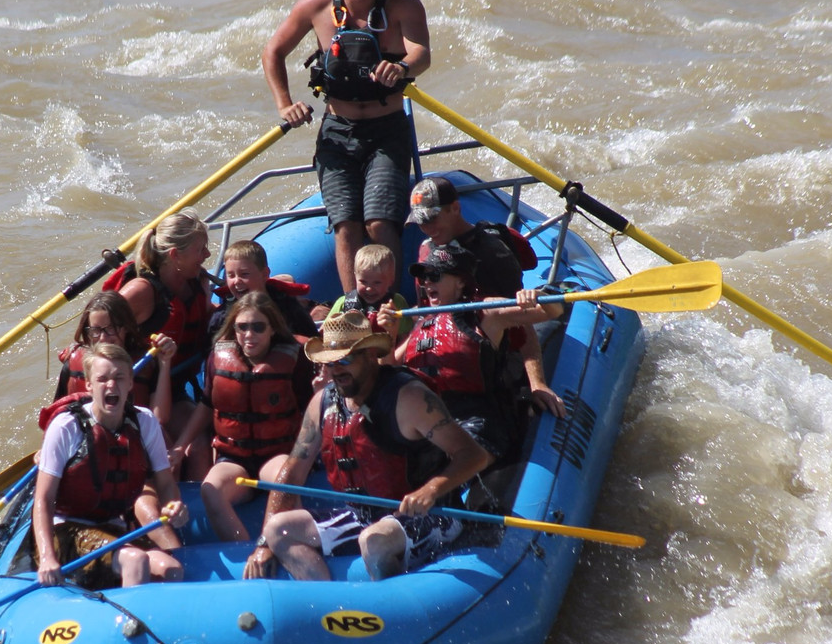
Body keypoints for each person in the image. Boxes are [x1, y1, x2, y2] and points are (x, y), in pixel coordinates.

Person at [243, 311, 488, 583]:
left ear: (371, 355)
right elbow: (293, 470)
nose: (337, 370)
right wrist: (264, 544)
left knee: (373, 540)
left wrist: (430, 491)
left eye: (346, 359)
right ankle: (331, 608)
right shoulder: (322, 403)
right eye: (331, 362)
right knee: (278, 529)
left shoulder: (410, 398)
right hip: (363, 517)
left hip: (431, 516)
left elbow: (473, 455)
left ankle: (391, 613)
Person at [262, 0, 430, 294]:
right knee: (346, 226)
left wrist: (402, 68)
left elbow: (422, 54)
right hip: (337, 132)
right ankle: (355, 309)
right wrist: (284, 105)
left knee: (380, 223)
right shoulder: (316, 7)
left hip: (387, 131)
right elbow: (272, 52)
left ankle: (390, 306)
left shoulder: (404, 5)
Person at [381, 244, 556, 511]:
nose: (427, 283)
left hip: (480, 419)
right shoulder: (422, 320)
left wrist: (538, 296)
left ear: (461, 281)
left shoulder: (485, 312)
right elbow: (388, 374)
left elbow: (551, 312)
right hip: (431, 422)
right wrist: (389, 335)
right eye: (423, 277)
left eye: (435, 276)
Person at [407, 176, 567, 418]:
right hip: (447, 353)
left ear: (456, 209)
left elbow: (519, 323)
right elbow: (426, 314)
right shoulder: (427, 250)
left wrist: (536, 382)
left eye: (432, 220)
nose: (427, 229)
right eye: (421, 223)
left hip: (492, 357)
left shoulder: (492, 252)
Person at [32, 343, 189, 589]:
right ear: (89, 385)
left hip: (114, 527)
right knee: (135, 560)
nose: (111, 385)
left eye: (119, 377)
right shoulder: (67, 426)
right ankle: (130, 627)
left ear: (129, 383)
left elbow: (166, 483)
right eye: (102, 378)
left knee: (172, 569)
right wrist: (47, 556)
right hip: (67, 529)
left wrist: (172, 507)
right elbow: (43, 499)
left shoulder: (144, 422)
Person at [173, 292, 312, 541]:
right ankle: (241, 548)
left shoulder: (295, 357)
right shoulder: (218, 357)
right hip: (234, 459)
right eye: (242, 327)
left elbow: (309, 409)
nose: (249, 335)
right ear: (233, 328)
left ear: (272, 329)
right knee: (210, 489)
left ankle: (286, 545)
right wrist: (180, 445)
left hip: (276, 454)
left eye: (258, 327)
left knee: (285, 481)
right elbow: (206, 405)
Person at [103, 209, 215, 480]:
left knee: (201, 445)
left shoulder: (197, 284)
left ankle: (199, 514)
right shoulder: (141, 292)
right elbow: (96, 337)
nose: (208, 256)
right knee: (162, 458)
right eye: (201, 250)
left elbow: (208, 321)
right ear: (176, 255)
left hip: (172, 389)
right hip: (137, 399)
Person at [53, 290, 177, 427]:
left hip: (133, 437)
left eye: (111, 328)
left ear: (126, 328)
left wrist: (165, 362)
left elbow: (159, 419)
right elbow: (56, 415)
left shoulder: (148, 362)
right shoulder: (73, 360)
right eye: (96, 330)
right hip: (85, 437)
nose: (103, 338)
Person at [206, 240, 318, 344]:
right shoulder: (222, 317)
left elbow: (312, 337)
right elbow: (209, 350)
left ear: (264, 274)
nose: (237, 281)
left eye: (244, 274)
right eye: (231, 275)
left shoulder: (288, 307)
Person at [326, 243, 412, 339]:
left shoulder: (396, 302)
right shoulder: (344, 302)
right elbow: (326, 334)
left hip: (387, 352)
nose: (369, 288)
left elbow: (405, 338)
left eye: (377, 283)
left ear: (391, 280)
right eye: (363, 282)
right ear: (355, 277)